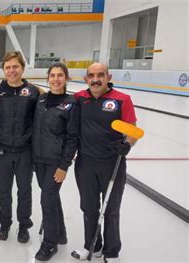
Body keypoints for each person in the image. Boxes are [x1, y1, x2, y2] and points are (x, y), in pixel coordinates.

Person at [71, 63, 137, 263]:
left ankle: (111, 251)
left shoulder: (122, 100)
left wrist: (128, 145)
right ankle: (92, 246)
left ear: (108, 76)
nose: (96, 79)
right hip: (85, 164)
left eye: (100, 75)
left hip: (112, 164)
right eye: (91, 75)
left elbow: (132, 130)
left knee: (111, 209)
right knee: (89, 208)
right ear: (85, 79)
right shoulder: (80, 98)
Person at [0, 51, 41, 243]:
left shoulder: (33, 92)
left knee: (24, 190)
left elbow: (40, 120)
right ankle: (5, 223)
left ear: (22, 68)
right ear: (3, 69)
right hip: (2, 149)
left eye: (15, 66)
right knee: (3, 190)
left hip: (25, 150)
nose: (12, 71)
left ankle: (24, 225)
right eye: (8, 67)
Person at [32, 63, 79, 261]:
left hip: (55, 161)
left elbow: (72, 138)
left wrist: (64, 165)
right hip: (39, 159)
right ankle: (61, 234)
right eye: (52, 75)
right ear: (48, 78)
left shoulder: (71, 103)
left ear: (66, 78)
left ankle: (49, 244)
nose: (56, 79)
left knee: (47, 199)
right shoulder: (41, 100)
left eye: (60, 75)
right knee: (51, 197)